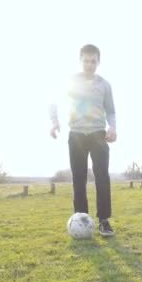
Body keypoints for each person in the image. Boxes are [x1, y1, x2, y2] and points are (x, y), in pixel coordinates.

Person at [49, 44, 117, 237]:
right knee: (79, 179)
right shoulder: (70, 82)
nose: (89, 65)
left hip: (98, 135)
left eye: (93, 61)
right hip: (76, 135)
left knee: (102, 177)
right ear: (81, 61)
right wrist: (54, 122)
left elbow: (111, 111)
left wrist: (112, 128)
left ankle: (104, 221)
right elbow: (53, 101)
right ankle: (81, 219)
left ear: (98, 62)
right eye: (86, 61)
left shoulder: (104, 85)